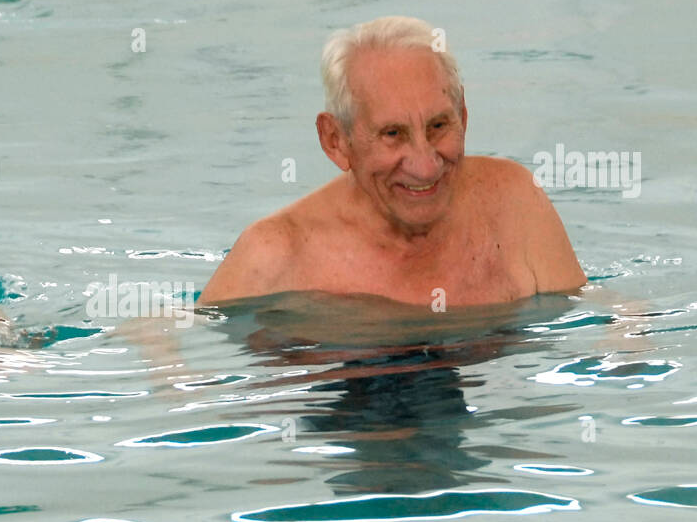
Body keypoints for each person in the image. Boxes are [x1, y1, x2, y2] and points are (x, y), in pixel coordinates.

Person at [198, 16, 586, 308]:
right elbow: (171, 338)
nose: (425, 165)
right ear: (336, 141)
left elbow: (588, 308)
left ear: (463, 116)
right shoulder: (277, 253)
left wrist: (627, 330)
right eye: (393, 134)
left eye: (438, 126)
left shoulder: (514, 203)